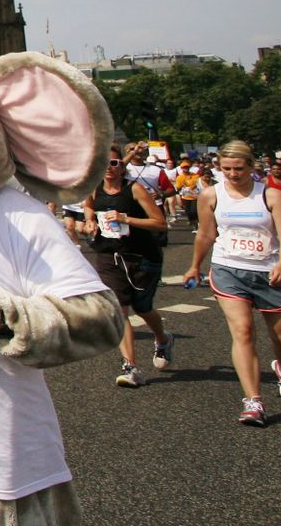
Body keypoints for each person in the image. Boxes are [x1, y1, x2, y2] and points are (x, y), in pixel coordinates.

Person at [184, 140, 281, 426]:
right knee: (243, 331)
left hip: (269, 272)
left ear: (251, 166)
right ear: (219, 168)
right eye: (227, 169)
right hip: (228, 269)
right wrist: (194, 266)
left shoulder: (271, 196)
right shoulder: (211, 195)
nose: (233, 174)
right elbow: (205, 235)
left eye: (239, 168)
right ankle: (253, 401)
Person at [81, 154, 176, 387]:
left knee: (142, 308)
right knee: (120, 310)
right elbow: (88, 206)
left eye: (114, 162)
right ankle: (130, 366)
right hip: (109, 256)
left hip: (142, 256)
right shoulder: (94, 189)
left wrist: (127, 218)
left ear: (122, 166)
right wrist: (90, 221)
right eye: (104, 163)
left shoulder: (134, 190)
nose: (109, 167)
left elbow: (159, 222)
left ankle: (163, 339)